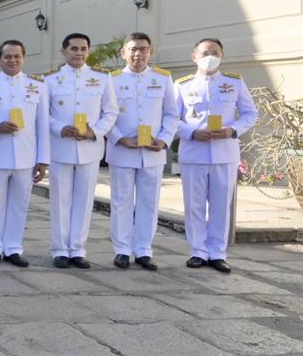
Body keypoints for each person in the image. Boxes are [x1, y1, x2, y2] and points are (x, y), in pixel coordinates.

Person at [175, 37, 257, 274]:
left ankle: (218, 253)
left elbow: (250, 114)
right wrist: (191, 132)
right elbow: (171, 118)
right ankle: (198, 251)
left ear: (222, 55)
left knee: (221, 205)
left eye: (215, 52)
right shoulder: (182, 84)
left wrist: (232, 131)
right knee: (194, 205)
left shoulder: (235, 82)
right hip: (194, 153)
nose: (209, 57)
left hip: (224, 153)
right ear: (194, 57)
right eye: (204, 53)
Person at [43, 32, 119, 269]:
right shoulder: (50, 80)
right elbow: (43, 114)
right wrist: (59, 128)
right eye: (74, 49)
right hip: (61, 147)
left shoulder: (102, 79)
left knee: (84, 201)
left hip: (89, 148)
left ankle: (77, 249)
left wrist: (94, 131)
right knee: (60, 200)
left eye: (83, 49)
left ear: (88, 51)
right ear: (64, 52)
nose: (79, 53)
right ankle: (60, 250)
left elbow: (111, 112)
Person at [106, 32, 179, 271]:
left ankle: (144, 250)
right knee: (121, 203)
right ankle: (122, 250)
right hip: (123, 151)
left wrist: (164, 140)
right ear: (124, 52)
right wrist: (119, 138)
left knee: (149, 203)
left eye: (143, 49)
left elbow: (171, 114)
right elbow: (105, 115)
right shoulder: (112, 80)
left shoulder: (163, 78)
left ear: (151, 51)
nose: (138, 53)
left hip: (153, 152)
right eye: (133, 49)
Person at [0, 40, 49, 268]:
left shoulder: (37, 86)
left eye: (17, 56)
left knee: (20, 204)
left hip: (26, 156)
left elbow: (42, 126)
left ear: (24, 58)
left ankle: (13, 247)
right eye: (7, 56)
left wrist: (42, 160)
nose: (13, 60)